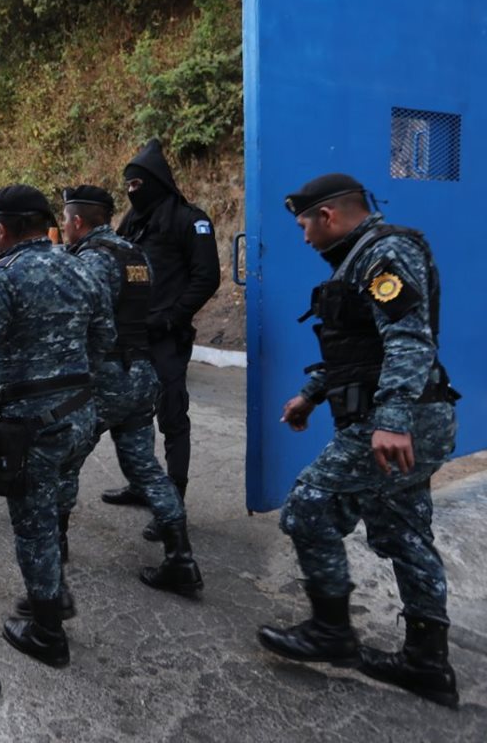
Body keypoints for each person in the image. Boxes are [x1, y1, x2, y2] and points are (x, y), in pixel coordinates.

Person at [257, 173, 460, 708]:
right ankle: (427, 664)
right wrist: (310, 395)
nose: (304, 238)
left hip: (397, 422)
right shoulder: (358, 260)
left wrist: (390, 419)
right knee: (404, 533)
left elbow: (409, 339)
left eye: (304, 226)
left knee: (308, 508)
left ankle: (331, 632)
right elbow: (358, 350)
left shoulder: (383, 254)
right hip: (410, 417)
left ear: (326, 216)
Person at [0, 185, 105, 667]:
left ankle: (47, 633)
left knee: (32, 525)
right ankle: (52, 592)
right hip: (81, 415)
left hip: (34, 424)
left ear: (2, 230)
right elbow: (104, 338)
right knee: (55, 503)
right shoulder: (82, 268)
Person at [54, 185, 203, 612]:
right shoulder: (136, 255)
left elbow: (82, 320)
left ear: (78, 221)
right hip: (141, 372)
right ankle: (181, 558)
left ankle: (54, 546)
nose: (63, 227)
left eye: (64, 219)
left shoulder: (92, 260)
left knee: (65, 460)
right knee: (145, 467)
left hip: (104, 376)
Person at [111, 139, 220, 542]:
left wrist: (173, 316)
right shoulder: (133, 221)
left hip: (167, 337)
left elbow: (207, 277)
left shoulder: (190, 220)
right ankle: (142, 483)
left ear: (156, 181)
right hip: (131, 337)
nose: (131, 191)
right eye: (127, 185)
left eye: (137, 184)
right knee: (132, 415)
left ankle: (173, 502)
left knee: (172, 417)